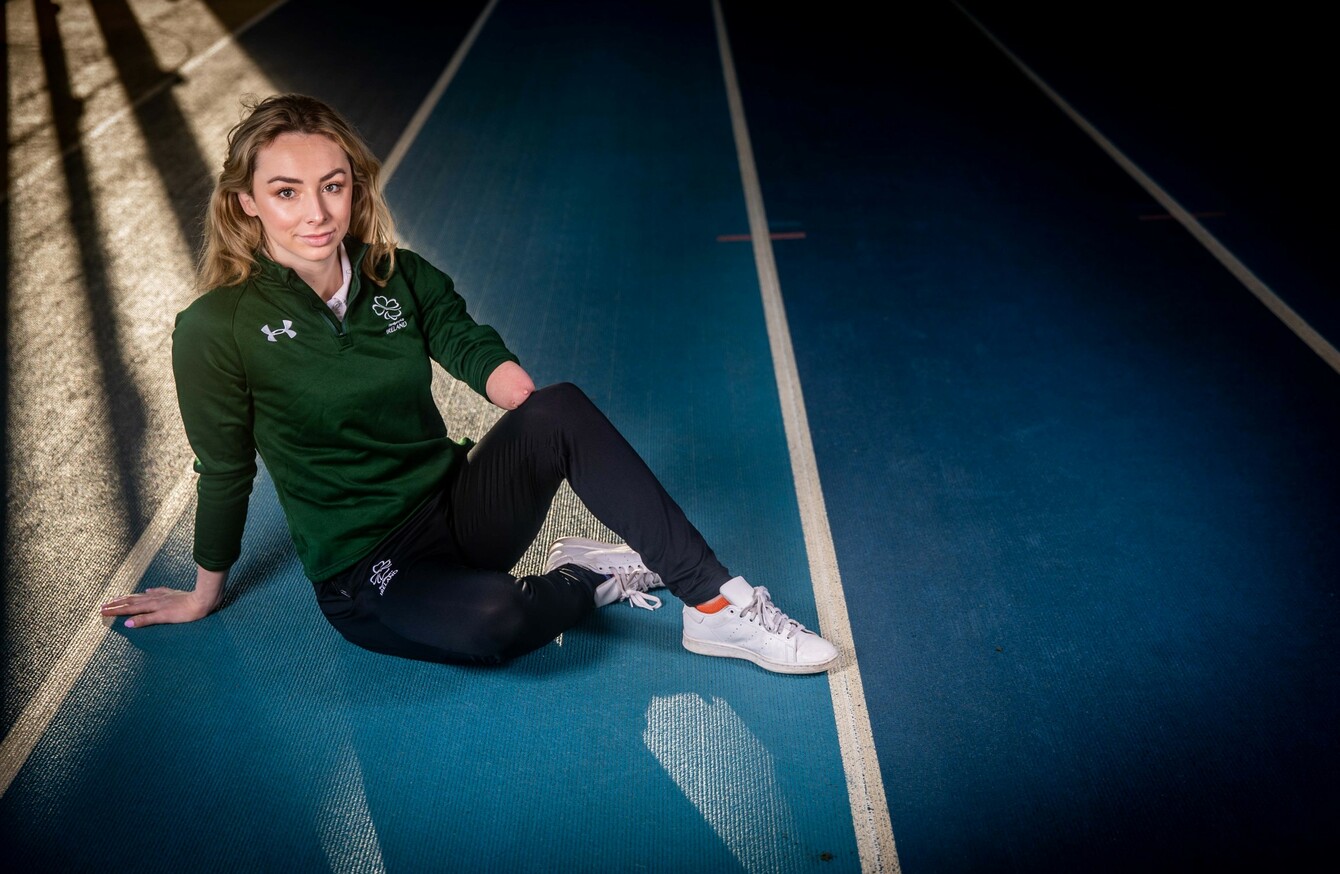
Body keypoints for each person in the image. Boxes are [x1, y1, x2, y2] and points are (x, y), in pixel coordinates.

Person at [99, 93, 837, 675]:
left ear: (355, 187)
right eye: (287, 192)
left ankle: (714, 605)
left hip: (457, 508)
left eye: (333, 186)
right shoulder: (216, 327)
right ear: (247, 202)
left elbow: (460, 335)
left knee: (559, 407)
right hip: (370, 566)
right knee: (495, 624)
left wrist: (512, 388)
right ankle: (585, 576)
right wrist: (204, 591)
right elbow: (225, 467)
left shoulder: (397, 274)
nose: (317, 214)